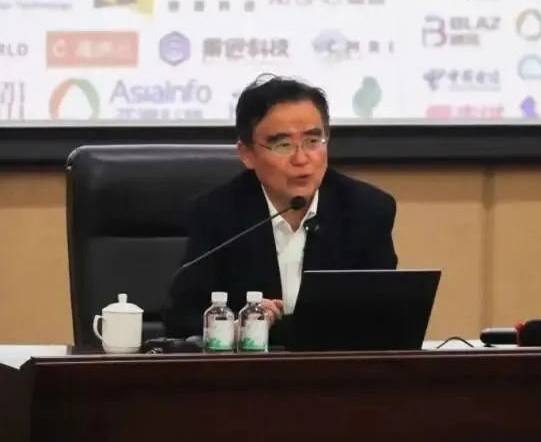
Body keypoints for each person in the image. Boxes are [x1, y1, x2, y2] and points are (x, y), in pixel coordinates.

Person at [161, 73, 398, 346]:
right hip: (248, 368)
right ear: (247, 154)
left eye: (313, 141)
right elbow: (181, 317)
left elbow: (386, 316)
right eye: (282, 144)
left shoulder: (366, 210)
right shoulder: (216, 213)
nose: (301, 159)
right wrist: (236, 326)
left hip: (337, 366)